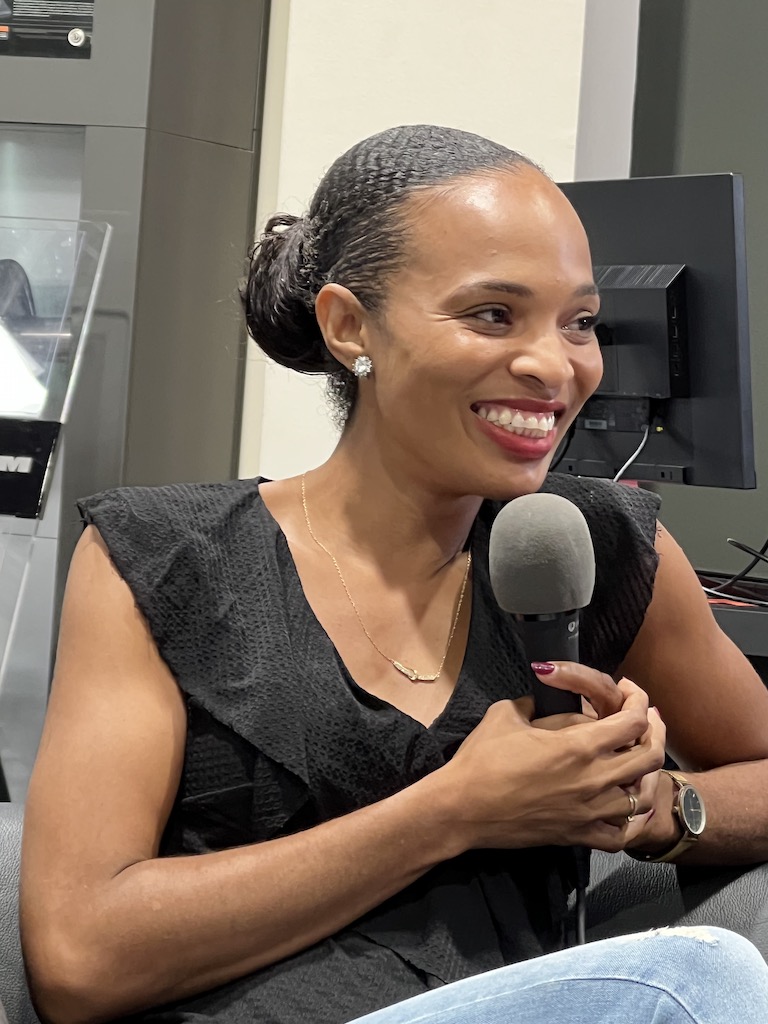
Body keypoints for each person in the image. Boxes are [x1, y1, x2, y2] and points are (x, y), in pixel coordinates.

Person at [18, 125, 768, 1024]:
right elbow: (80, 959)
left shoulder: (595, 546)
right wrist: (452, 811)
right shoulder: (164, 558)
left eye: (579, 322)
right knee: (691, 983)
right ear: (349, 326)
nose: (555, 365)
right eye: (492, 315)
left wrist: (660, 806)